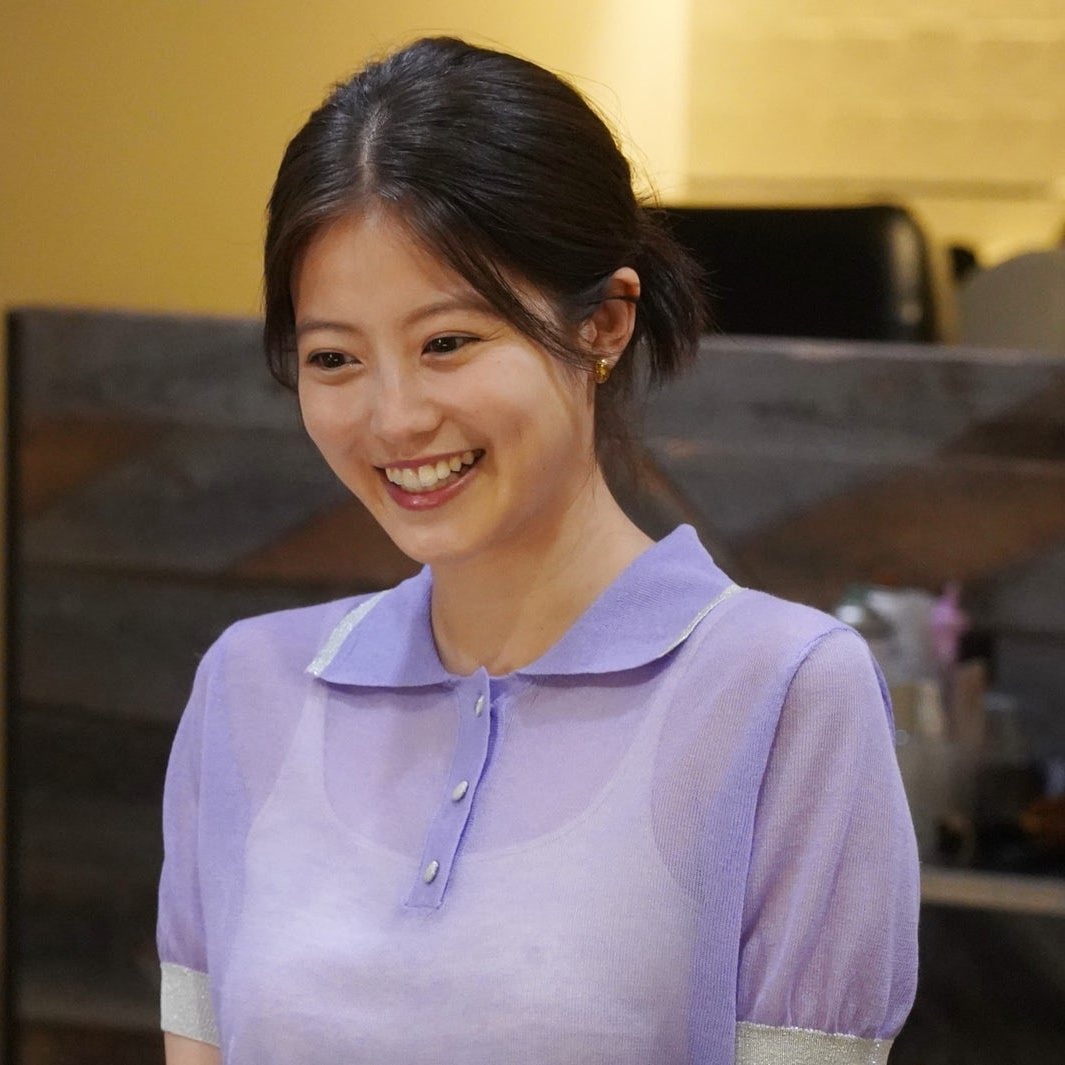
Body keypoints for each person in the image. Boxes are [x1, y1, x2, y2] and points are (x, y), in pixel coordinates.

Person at [157, 37, 919, 1065]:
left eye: (447, 342)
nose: (393, 417)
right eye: (334, 357)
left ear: (602, 322)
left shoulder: (784, 692)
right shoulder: (247, 688)